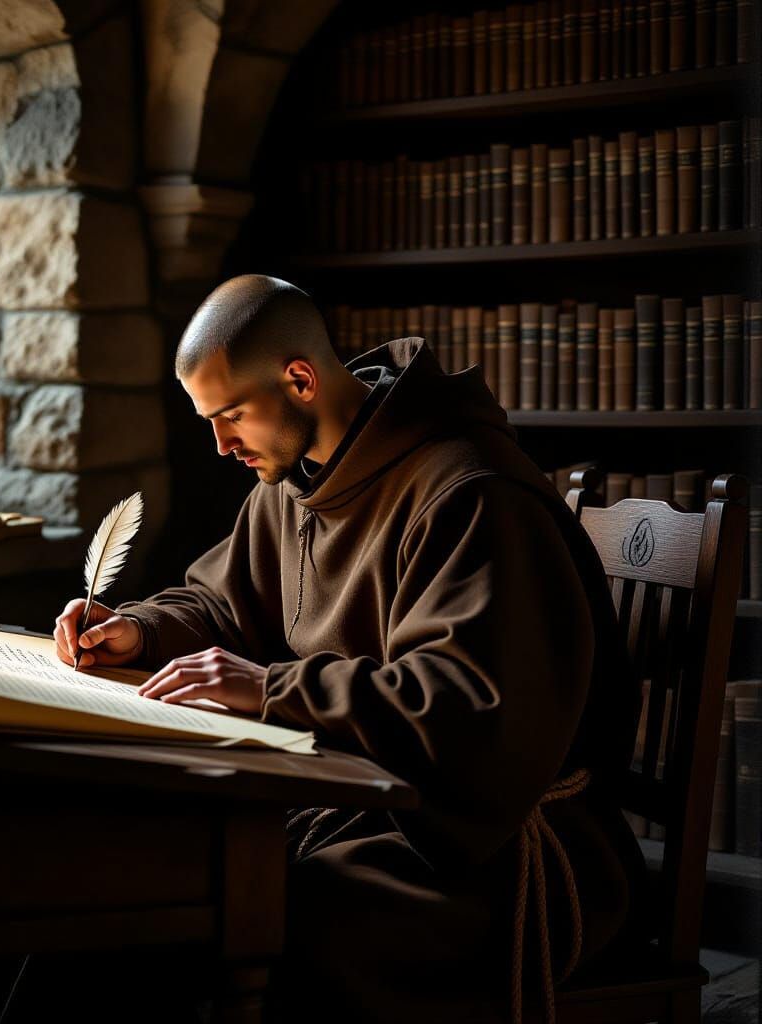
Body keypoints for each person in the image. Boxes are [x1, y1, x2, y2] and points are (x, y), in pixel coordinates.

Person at [53, 274, 647, 1022]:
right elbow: (219, 601)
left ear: (299, 379)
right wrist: (139, 629)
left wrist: (270, 690)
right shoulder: (291, 482)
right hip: (357, 805)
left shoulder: (470, 492)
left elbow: (470, 714)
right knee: (146, 878)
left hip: (487, 852)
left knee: (269, 916)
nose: (220, 443)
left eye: (231, 414)